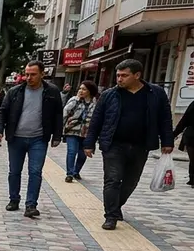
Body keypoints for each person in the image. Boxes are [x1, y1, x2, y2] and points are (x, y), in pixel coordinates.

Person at [84, 59, 175, 230]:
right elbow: (96, 120)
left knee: (130, 182)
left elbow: (165, 118)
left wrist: (167, 141)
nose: (119, 79)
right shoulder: (109, 95)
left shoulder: (155, 93)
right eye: (118, 75)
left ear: (137, 75)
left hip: (141, 145)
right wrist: (89, 143)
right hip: (114, 144)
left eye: (124, 76)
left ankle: (116, 206)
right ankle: (110, 216)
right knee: (112, 180)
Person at [0, 61, 63, 219]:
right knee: (14, 171)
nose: (29, 77)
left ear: (42, 74)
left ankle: (31, 205)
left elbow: (58, 115)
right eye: (27, 74)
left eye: (33, 74)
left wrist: (57, 136)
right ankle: (14, 199)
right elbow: (3, 112)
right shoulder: (15, 91)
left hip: (39, 138)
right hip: (16, 138)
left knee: (35, 172)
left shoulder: (51, 92)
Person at [62, 80, 99, 183]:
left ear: (90, 91)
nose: (81, 91)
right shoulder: (74, 100)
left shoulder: (95, 103)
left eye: (84, 89)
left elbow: (97, 119)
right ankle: (69, 174)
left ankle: (76, 171)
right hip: (72, 131)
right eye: (80, 89)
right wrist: (60, 130)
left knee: (82, 154)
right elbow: (65, 113)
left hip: (86, 133)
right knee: (72, 151)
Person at [174, 99, 194, 186]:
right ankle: (192, 178)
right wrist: (173, 135)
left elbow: (184, 121)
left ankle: (192, 178)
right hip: (192, 137)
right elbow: (184, 121)